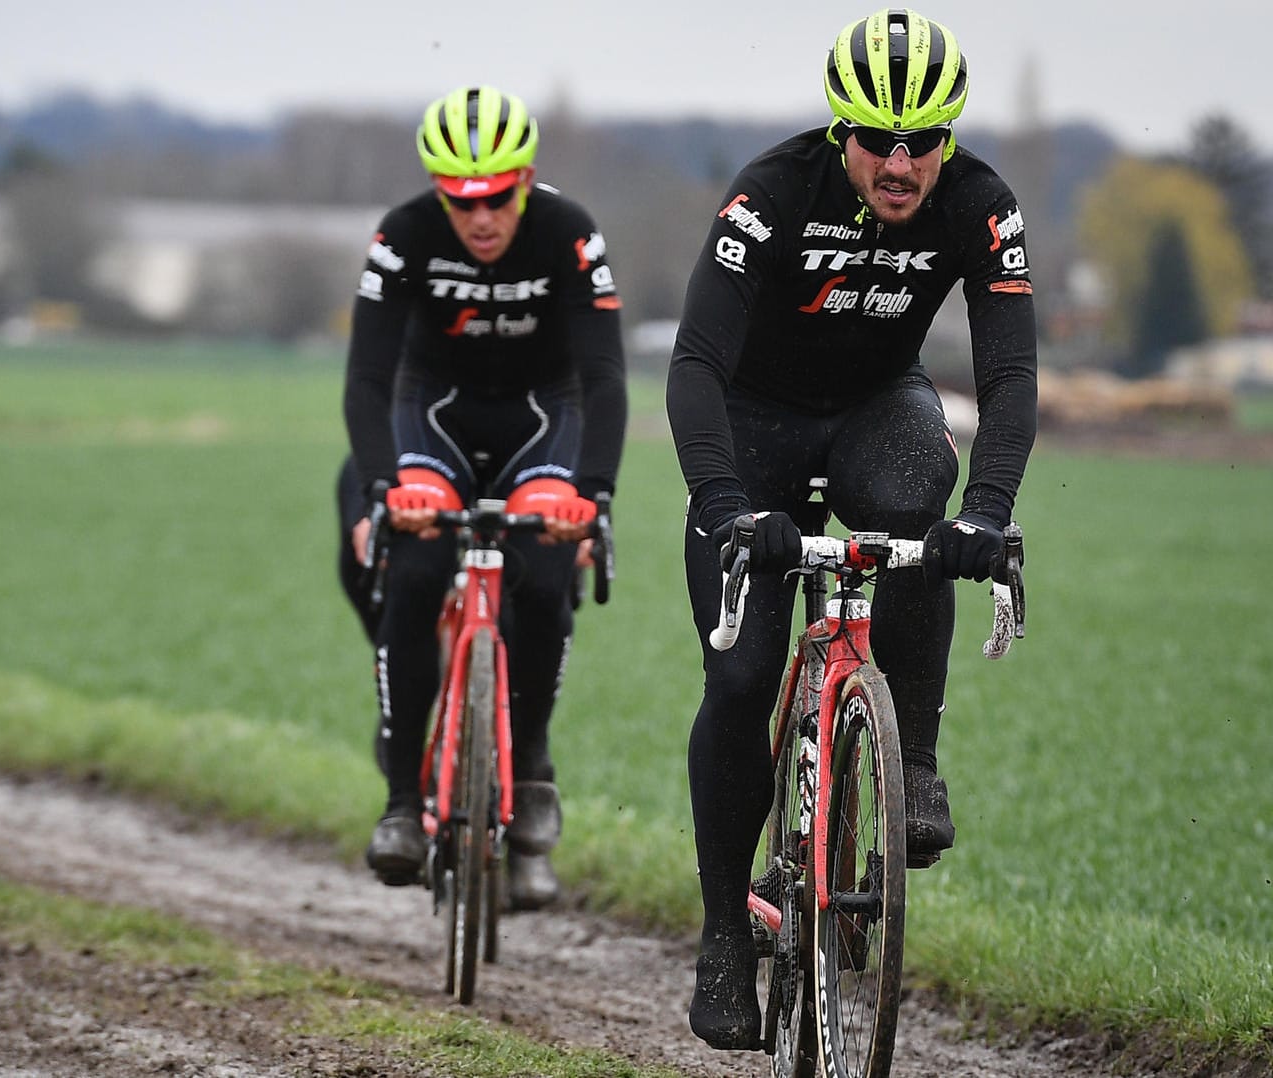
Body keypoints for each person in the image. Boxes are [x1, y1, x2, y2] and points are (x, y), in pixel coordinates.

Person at [665, 10, 1037, 1048]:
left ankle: (911, 755)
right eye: (878, 136)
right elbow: (693, 363)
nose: (902, 161)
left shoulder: (979, 204)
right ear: (843, 131)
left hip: (880, 405)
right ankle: (726, 935)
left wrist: (989, 515)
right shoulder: (774, 190)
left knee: (920, 502)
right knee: (740, 680)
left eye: (925, 139)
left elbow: (1008, 376)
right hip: (753, 419)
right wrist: (727, 506)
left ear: (949, 139)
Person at [343, 86, 628, 911]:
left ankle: (530, 762)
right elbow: (365, 378)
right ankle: (402, 801)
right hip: (430, 411)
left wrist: (595, 493)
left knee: (542, 581)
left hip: (546, 415)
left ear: (526, 179)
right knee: (417, 568)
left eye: (498, 197)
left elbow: (607, 375)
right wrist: (380, 487)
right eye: (459, 199)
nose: (479, 218)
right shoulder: (403, 234)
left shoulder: (569, 232)